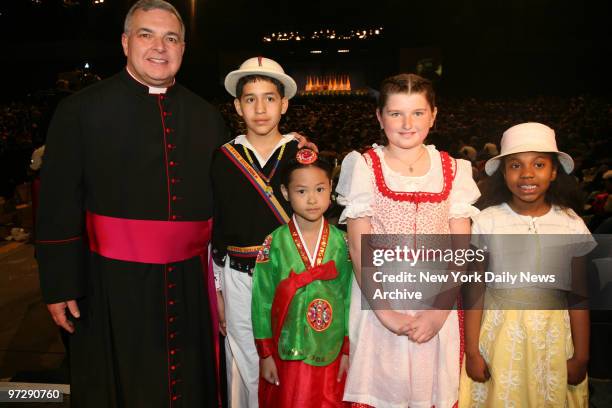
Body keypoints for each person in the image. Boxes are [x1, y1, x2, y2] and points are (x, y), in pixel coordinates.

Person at [36, 1, 225, 406]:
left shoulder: (207, 116)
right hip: (108, 283)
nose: (160, 47)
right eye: (147, 35)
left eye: (171, 38)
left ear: (183, 49)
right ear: (125, 43)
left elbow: (231, 193)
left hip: (190, 284)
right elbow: (56, 204)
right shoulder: (80, 110)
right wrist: (59, 282)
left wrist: (291, 158)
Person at [336, 73, 480, 407]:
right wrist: (386, 312)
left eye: (417, 112)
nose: (407, 123)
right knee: (384, 388)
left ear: (433, 115)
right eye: (395, 113)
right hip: (379, 299)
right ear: (379, 116)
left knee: (430, 390)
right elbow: (359, 246)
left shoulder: (454, 169)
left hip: (436, 300)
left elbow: (460, 247)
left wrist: (440, 311)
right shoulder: (364, 167)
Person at [459, 122, 595, 407]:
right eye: (516, 165)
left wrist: (581, 356)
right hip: (499, 340)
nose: (528, 174)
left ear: (554, 171)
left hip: (554, 340)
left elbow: (579, 296)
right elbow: (474, 292)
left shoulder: (571, 224)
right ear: (504, 173)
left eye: (539, 164)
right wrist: (472, 352)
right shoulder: (487, 221)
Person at [212, 57, 313, 407]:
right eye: (250, 99)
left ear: (284, 104)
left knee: (295, 358)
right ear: (237, 105)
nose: (260, 108)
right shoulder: (224, 157)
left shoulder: (302, 154)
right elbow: (218, 227)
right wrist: (219, 289)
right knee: (246, 362)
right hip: (239, 275)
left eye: (270, 98)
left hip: (293, 276)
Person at [251, 148, 352, 407]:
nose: (311, 200)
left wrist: (347, 350)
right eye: (301, 191)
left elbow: (349, 299)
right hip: (288, 349)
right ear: (285, 192)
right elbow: (262, 300)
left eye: (319, 189)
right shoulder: (273, 242)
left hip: (331, 346)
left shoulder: (343, 243)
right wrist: (265, 355)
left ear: (331, 187)